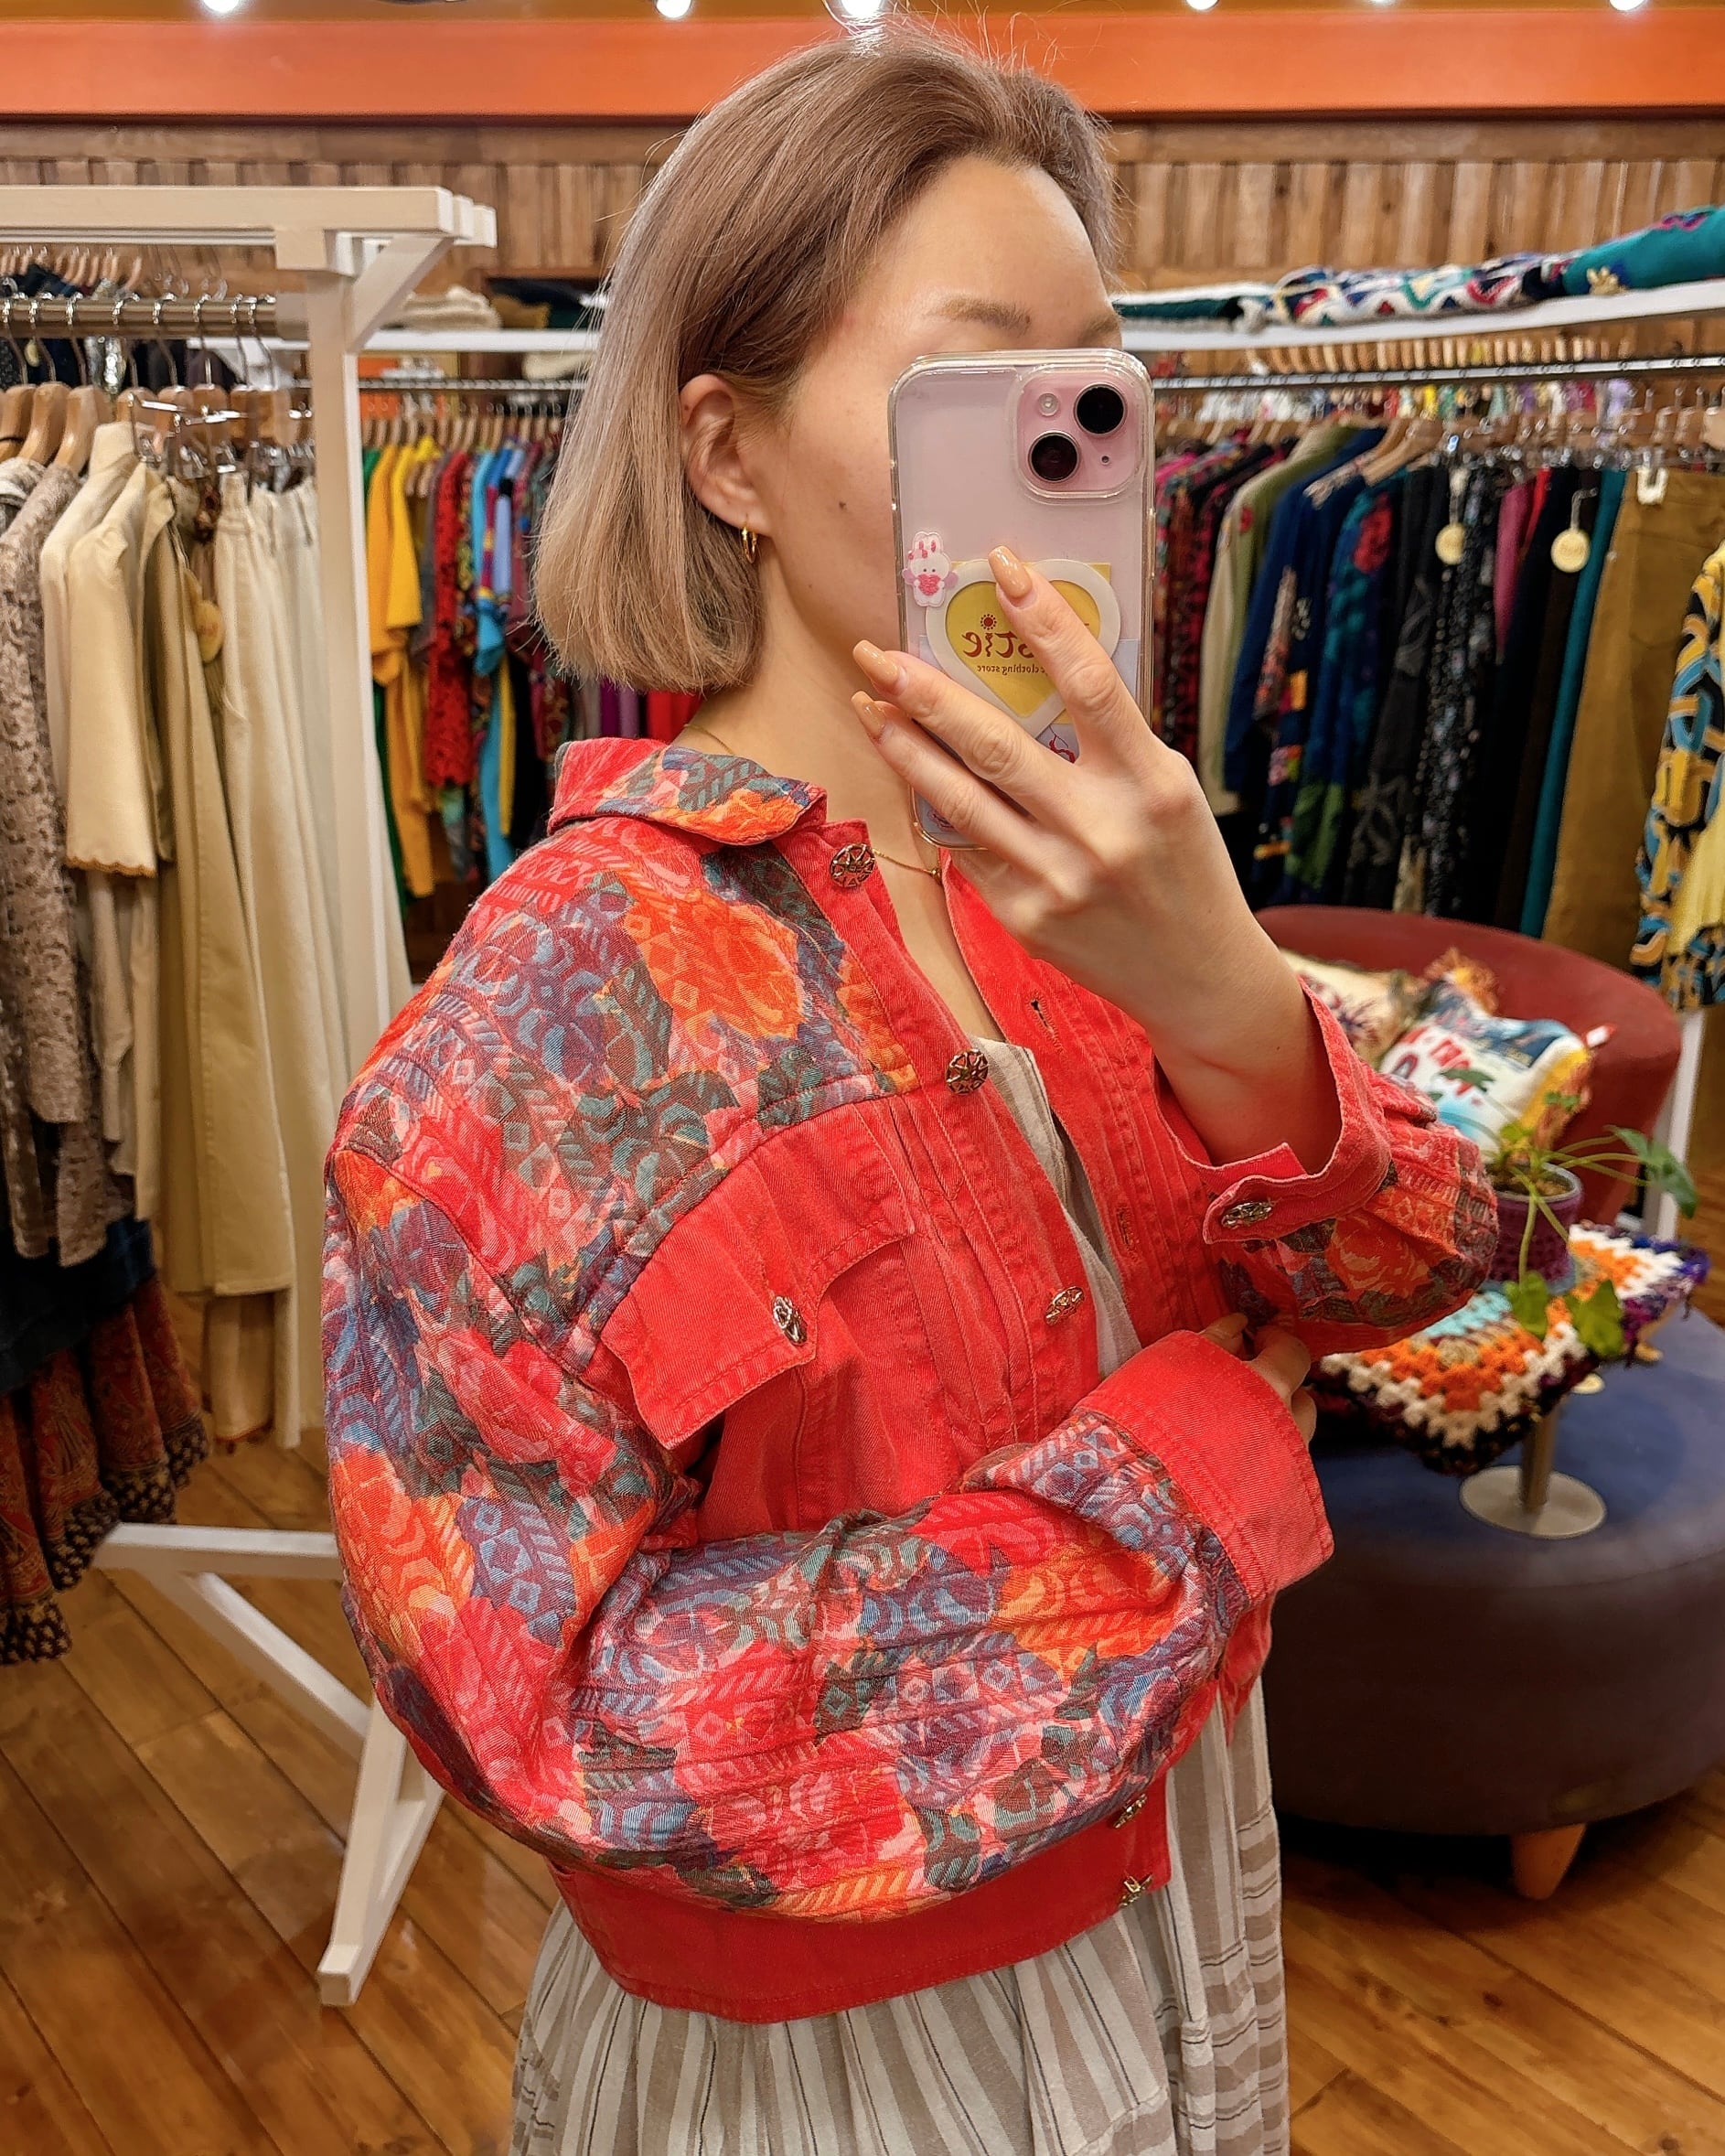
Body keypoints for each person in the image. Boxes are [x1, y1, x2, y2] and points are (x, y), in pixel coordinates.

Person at [322, 29, 1495, 2156]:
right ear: (727, 452)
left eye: (1097, 388)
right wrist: (1164, 1502)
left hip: (1182, 1876)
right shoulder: (559, 1011)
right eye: (979, 385)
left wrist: (1230, 1000)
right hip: (829, 2052)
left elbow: (1424, 1274)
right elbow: (528, 1706)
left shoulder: (1101, 878)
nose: (1065, 448)